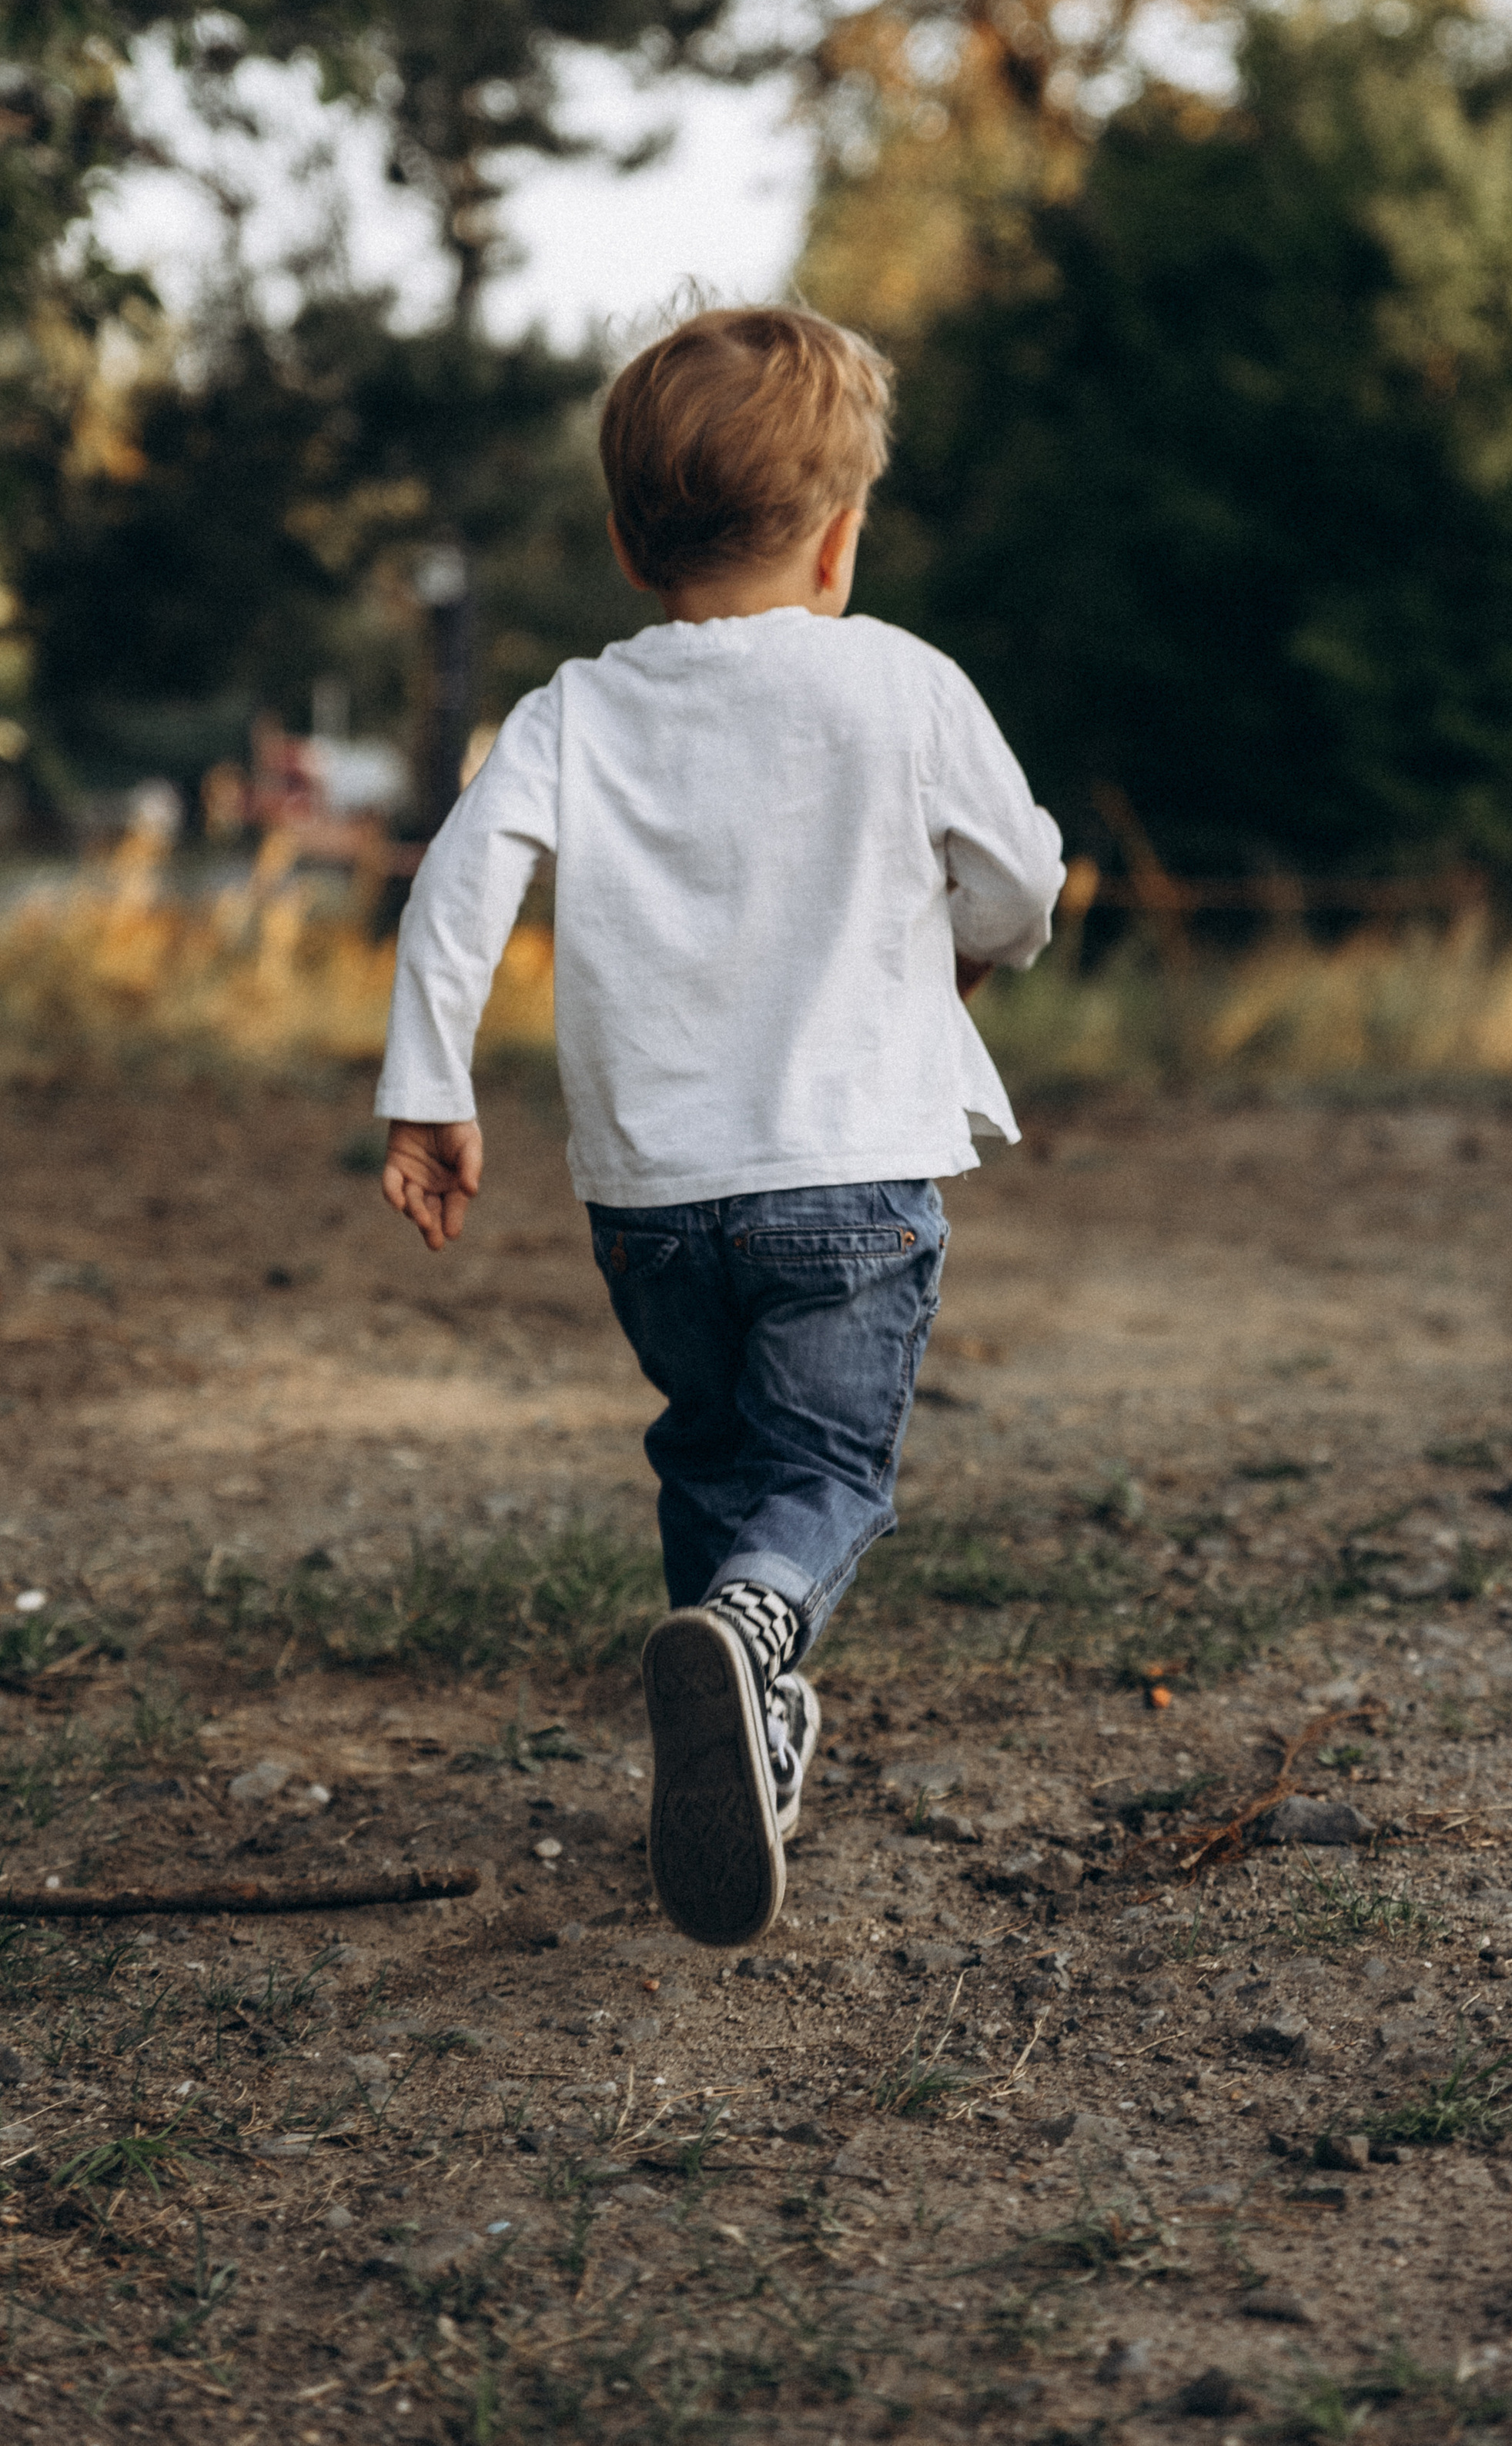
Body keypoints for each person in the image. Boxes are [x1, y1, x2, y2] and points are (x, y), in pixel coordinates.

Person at [373, 303, 1064, 1949]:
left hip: (653, 1199)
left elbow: (455, 895)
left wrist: (428, 1087)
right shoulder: (902, 682)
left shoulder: (572, 710)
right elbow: (1021, 878)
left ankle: (742, 1714)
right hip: (850, 1182)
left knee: (709, 1445)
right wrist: (974, 949)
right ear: (839, 538)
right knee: (821, 1470)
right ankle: (753, 1639)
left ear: (626, 546)